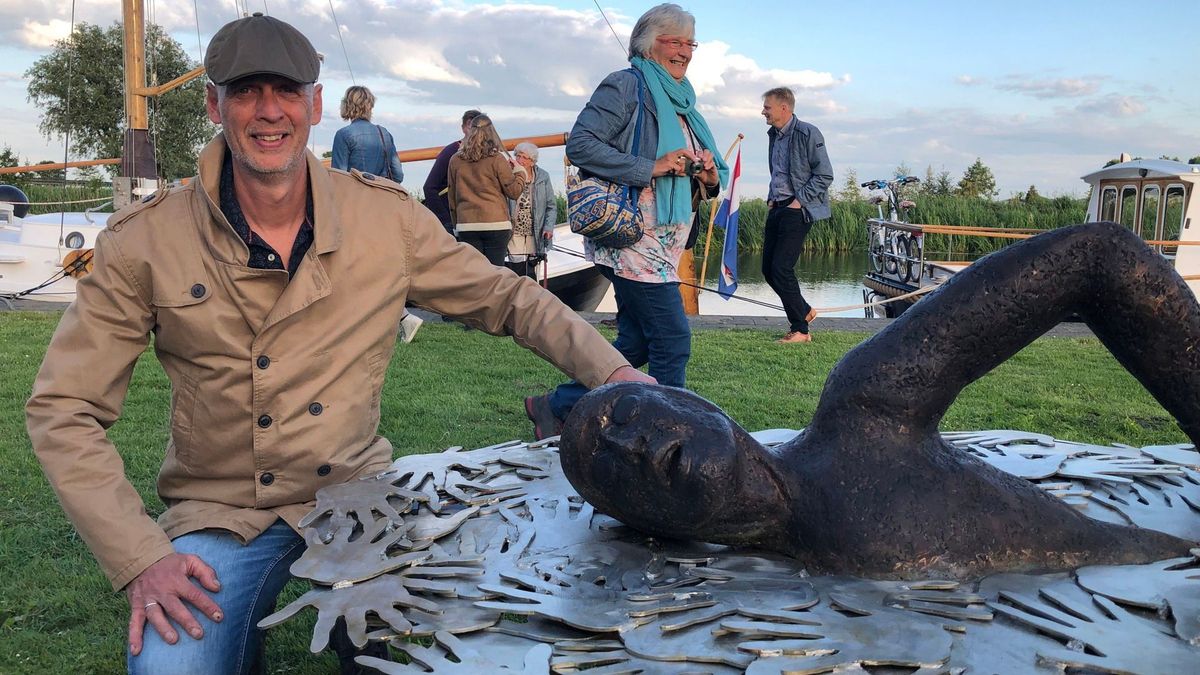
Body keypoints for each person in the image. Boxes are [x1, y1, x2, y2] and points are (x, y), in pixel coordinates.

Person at [24, 13, 651, 674]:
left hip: (358, 496)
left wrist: (613, 373)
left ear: (316, 103)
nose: (269, 111)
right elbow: (64, 409)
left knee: (433, 649)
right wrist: (140, 556)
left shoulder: (385, 219)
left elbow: (508, 297)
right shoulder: (145, 241)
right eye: (246, 91)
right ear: (214, 103)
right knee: (168, 666)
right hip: (220, 506)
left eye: (286, 90)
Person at [561, 222, 1197, 578]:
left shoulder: (870, 405)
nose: (630, 445)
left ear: (696, 405)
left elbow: (1095, 259)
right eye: (605, 467)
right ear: (645, 525)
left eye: (626, 415)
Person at [523, 3, 726, 440]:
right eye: (675, 41)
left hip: (666, 244)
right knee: (672, 341)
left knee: (634, 345)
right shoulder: (626, 85)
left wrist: (706, 174)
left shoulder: (683, 100)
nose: (684, 51)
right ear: (648, 43)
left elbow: (693, 172)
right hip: (632, 239)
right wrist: (651, 166)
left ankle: (553, 406)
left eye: (690, 42)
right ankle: (667, 439)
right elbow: (580, 145)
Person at [760, 86, 833, 343]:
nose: (763, 112)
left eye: (767, 108)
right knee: (768, 270)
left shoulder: (808, 132)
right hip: (777, 206)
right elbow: (779, 172)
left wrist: (798, 201)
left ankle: (800, 329)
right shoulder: (774, 135)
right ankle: (803, 310)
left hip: (798, 209)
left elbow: (825, 174)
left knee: (782, 268)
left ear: (784, 108)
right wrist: (772, 198)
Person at [447, 114, 528, 267]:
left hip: (467, 225)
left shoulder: (455, 160)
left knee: (475, 275)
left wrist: (456, 226)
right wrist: (520, 172)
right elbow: (514, 192)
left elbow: (452, 197)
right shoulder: (497, 159)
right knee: (496, 275)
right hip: (496, 224)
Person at [422, 109, 482, 234]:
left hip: (475, 219)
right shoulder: (451, 151)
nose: (472, 131)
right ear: (463, 128)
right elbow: (429, 187)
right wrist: (446, 220)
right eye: (469, 126)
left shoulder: (487, 153)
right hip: (455, 219)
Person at [330, 85, 404, 182]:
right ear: (370, 106)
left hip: (355, 195)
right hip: (381, 194)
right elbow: (398, 175)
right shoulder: (384, 133)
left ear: (346, 105)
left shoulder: (343, 134)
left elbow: (339, 178)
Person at [507, 142, 557, 280]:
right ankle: (517, 295)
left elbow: (551, 206)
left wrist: (548, 227)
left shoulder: (543, 177)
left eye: (524, 157)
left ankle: (532, 296)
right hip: (514, 230)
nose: (520, 160)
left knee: (532, 267)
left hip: (535, 230)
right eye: (518, 156)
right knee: (516, 267)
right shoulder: (508, 175)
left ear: (532, 161)